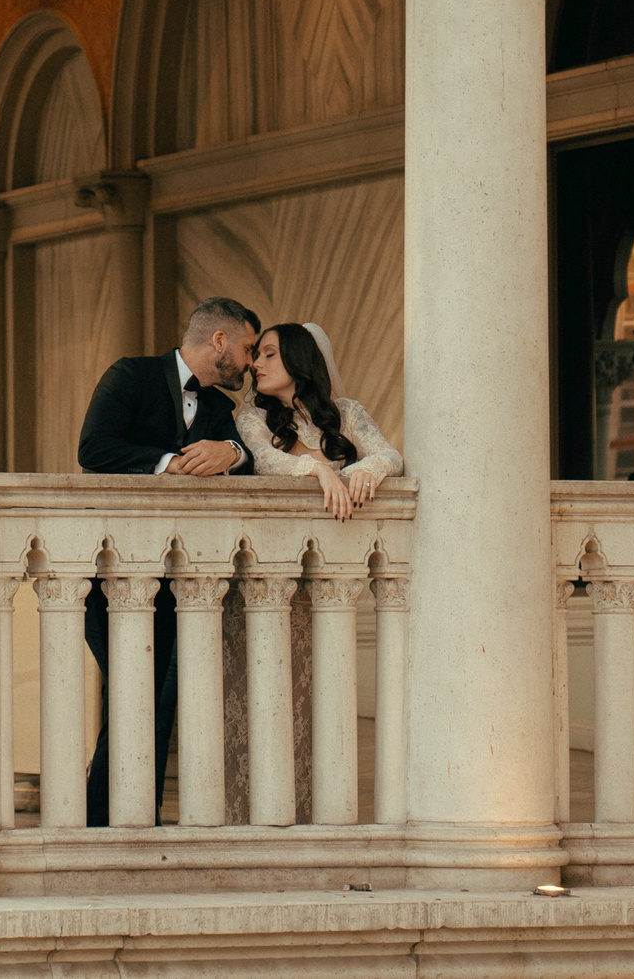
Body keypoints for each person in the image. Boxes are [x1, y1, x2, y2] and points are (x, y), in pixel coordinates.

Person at [72, 296, 258, 825]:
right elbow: (94, 450)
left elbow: (256, 458)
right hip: (112, 574)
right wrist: (170, 463)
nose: (248, 363)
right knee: (134, 695)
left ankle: (135, 819)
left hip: (181, 582)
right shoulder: (130, 375)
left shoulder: (223, 410)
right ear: (218, 341)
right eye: (246, 348)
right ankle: (107, 821)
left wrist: (232, 453)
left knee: (160, 702)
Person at [235, 321, 403, 521]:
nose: (255, 364)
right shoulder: (253, 418)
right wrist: (319, 470)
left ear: (298, 358)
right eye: (256, 356)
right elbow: (260, 458)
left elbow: (391, 456)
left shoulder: (347, 413)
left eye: (269, 354)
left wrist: (367, 469)